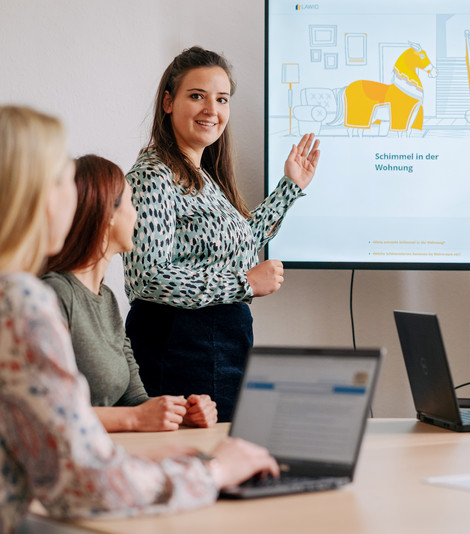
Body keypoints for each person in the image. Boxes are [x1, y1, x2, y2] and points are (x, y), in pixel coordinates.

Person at [0, 105, 279, 532]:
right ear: (29, 193)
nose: (71, 197)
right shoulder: (22, 303)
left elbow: (114, 417)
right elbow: (87, 483)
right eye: (61, 181)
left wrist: (170, 419)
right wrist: (212, 472)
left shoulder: (96, 300)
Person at [123, 46, 320, 421]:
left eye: (221, 99)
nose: (211, 110)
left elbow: (238, 242)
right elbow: (148, 278)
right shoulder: (153, 176)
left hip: (220, 347)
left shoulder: (203, 176)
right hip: (182, 349)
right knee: (201, 461)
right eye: (196, 96)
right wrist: (244, 284)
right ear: (168, 102)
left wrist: (289, 188)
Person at [43, 154, 217, 432]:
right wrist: (135, 419)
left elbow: (134, 400)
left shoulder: (108, 298)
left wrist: (181, 413)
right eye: (131, 202)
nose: (138, 213)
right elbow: (47, 411)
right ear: (107, 215)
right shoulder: (53, 294)